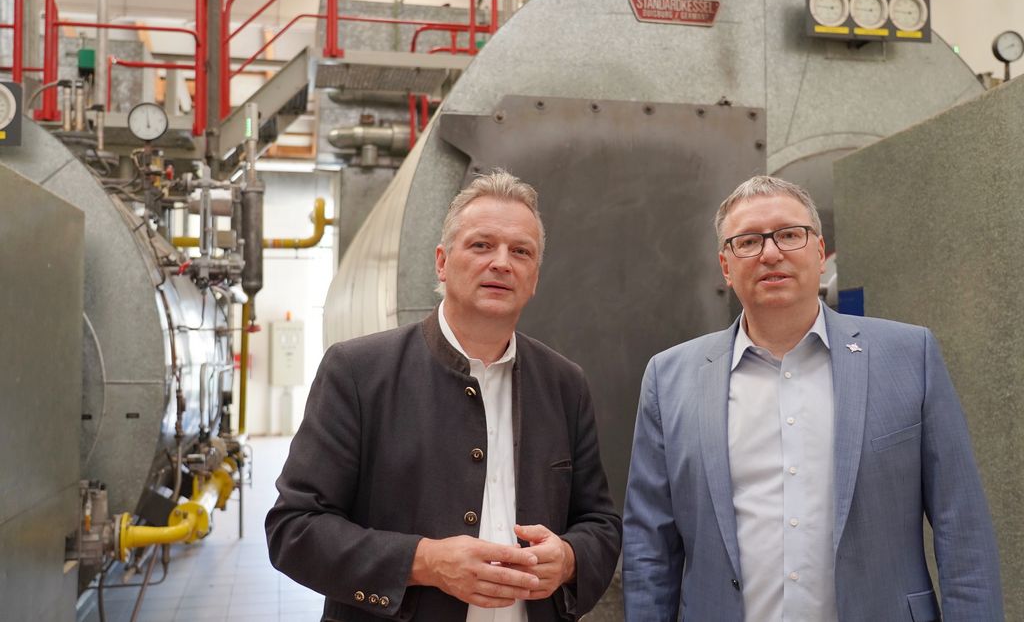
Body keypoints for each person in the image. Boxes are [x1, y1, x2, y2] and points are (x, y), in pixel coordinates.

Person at [622, 175, 1003, 621]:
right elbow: (649, 548)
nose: (770, 253)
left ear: (820, 253)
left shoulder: (909, 357)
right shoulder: (669, 378)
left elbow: (962, 526)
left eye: (789, 234)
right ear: (725, 266)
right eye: (748, 241)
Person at [267, 169, 621, 622]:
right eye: (481, 245)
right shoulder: (357, 372)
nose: (501, 262)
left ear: (534, 277)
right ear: (441, 262)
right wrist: (425, 562)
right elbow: (294, 529)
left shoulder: (564, 384)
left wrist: (569, 558)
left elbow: (600, 524)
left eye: (521, 251)